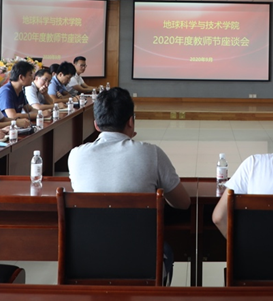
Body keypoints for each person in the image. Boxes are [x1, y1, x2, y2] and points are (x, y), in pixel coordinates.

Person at [67, 87, 190, 284]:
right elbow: (183, 203)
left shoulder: (76, 156)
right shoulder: (151, 153)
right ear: (130, 121)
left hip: (87, 260)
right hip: (142, 263)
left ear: (96, 124)